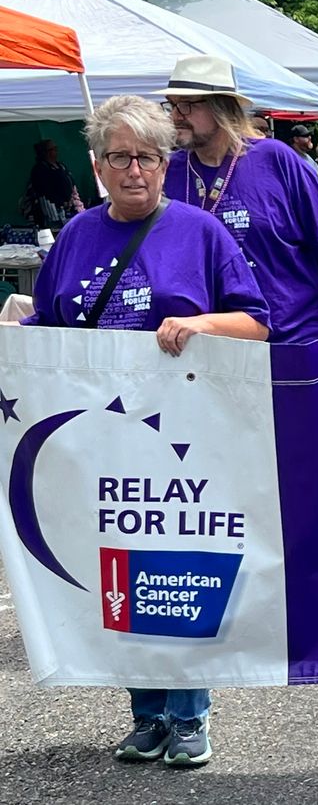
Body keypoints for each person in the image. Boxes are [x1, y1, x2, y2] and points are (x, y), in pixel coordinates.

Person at [20, 95, 269, 766]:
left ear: (167, 163)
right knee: (116, 576)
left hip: (181, 441)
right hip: (97, 442)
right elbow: (47, 332)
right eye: (121, 157)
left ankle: (190, 712)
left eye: (149, 157)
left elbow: (255, 321)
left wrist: (200, 325)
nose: (136, 170)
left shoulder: (200, 233)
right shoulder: (74, 238)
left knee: (175, 570)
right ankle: (147, 710)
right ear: (98, 165)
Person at [157, 54, 318, 343]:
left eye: (187, 105)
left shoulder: (276, 159)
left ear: (222, 108)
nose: (176, 116)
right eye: (173, 105)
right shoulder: (168, 172)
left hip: (295, 339)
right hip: (211, 348)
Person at [23, 139, 83, 228]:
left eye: (56, 148)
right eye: (52, 149)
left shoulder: (61, 166)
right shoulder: (40, 169)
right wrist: (60, 202)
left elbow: (71, 183)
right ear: (46, 152)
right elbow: (44, 191)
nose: (56, 151)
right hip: (52, 212)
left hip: (69, 208)